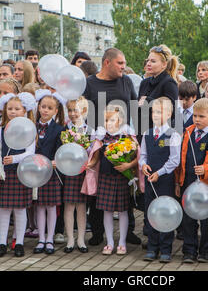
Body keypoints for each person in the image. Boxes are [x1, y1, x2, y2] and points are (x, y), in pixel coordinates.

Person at [82, 48, 140, 246]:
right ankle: (97, 232)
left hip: (123, 142)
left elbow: (135, 110)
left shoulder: (126, 81)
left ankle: (129, 231)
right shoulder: (90, 84)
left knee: (125, 187)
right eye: (120, 63)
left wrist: (134, 141)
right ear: (107, 63)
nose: (123, 67)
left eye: (124, 63)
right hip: (99, 142)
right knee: (99, 189)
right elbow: (85, 113)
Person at [175, 98, 208, 264]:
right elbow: (180, 159)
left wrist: (206, 169)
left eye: (201, 116)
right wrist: (178, 182)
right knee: (188, 219)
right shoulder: (187, 132)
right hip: (187, 182)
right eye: (195, 116)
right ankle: (189, 251)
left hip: (207, 185)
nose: (197, 119)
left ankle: (206, 251)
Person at [86, 105, 140, 255]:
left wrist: (128, 165)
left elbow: (138, 156)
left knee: (123, 210)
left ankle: (122, 242)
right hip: (105, 176)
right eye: (105, 120)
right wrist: (85, 165)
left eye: (112, 119)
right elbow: (95, 158)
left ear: (120, 120)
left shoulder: (127, 135)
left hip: (122, 177)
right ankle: (109, 242)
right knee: (107, 211)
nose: (108, 122)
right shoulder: (101, 137)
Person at [0, 92, 37, 258]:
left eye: (17, 108)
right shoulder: (1, 129)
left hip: (20, 173)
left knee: (20, 209)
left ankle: (20, 243)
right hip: (4, 173)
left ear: (25, 111)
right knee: (3, 209)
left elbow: (31, 152)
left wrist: (14, 158)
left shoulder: (29, 129)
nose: (13, 111)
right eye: (10, 108)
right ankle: (2, 242)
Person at [140, 97, 181, 263]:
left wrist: (160, 172)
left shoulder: (174, 134)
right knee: (151, 212)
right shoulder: (147, 133)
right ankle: (152, 247)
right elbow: (143, 155)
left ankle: (165, 248)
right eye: (154, 112)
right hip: (150, 180)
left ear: (169, 114)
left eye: (160, 112)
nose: (156, 115)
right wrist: (143, 165)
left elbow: (174, 160)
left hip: (165, 181)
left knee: (165, 213)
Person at [33, 91, 66, 255]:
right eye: (43, 106)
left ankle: (50, 238)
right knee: (39, 206)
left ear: (55, 111)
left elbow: (60, 151)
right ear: (38, 107)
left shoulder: (59, 129)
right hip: (35, 171)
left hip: (51, 172)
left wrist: (55, 161)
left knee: (51, 206)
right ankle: (41, 238)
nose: (45, 110)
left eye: (49, 108)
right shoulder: (31, 126)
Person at [63, 97, 93, 254]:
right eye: (70, 110)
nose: (73, 113)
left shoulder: (90, 130)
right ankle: (70, 239)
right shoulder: (65, 129)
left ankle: (81, 238)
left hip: (83, 172)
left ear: (84, 111)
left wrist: (82, 144)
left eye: (76, 110)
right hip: (69, 172)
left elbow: (92, 152)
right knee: (69, 205)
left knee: (81, 206)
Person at [138, 45, 179, 133]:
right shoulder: (144, 82)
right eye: (147, 60)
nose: (148, 63)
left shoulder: (169, 83)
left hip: (160, 135)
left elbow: (172, 112)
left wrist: (149, 101)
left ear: (164, 64)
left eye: (153, 61)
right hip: (143, 133)